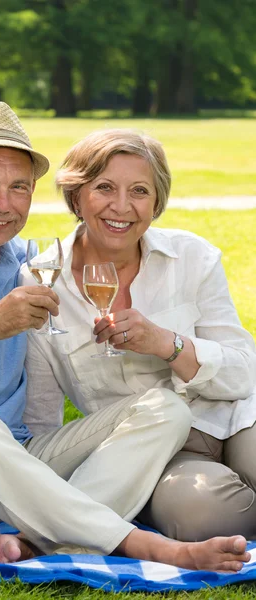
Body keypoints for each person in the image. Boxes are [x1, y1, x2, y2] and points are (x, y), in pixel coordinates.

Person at [0, 105, 250, 574]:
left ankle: (36, 542)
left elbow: (39, 417)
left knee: (166, 407)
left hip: (13, 467)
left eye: (18, 187)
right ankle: (146, 546)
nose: (3, 203)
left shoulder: (24, 264)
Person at [20, 128, 256, 544]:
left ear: (157, 202)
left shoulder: (193, 257)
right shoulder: (43, 279)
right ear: (77, 197)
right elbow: (42, 423)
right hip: (157, 453)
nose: (122, 207)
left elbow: (244, 374)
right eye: (104, 188)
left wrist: (167, 344)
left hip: (236, 417)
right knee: (201, 518)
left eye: (140, 191)